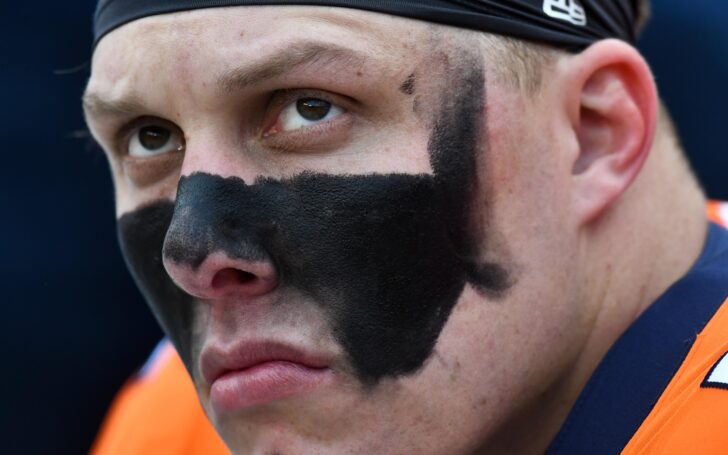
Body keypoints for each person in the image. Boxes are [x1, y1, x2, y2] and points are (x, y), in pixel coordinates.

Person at [83, 1, 728, 453]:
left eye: (311, 109)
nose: (192, 255)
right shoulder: (181, 423)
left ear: (590, 136)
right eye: (150, 137)